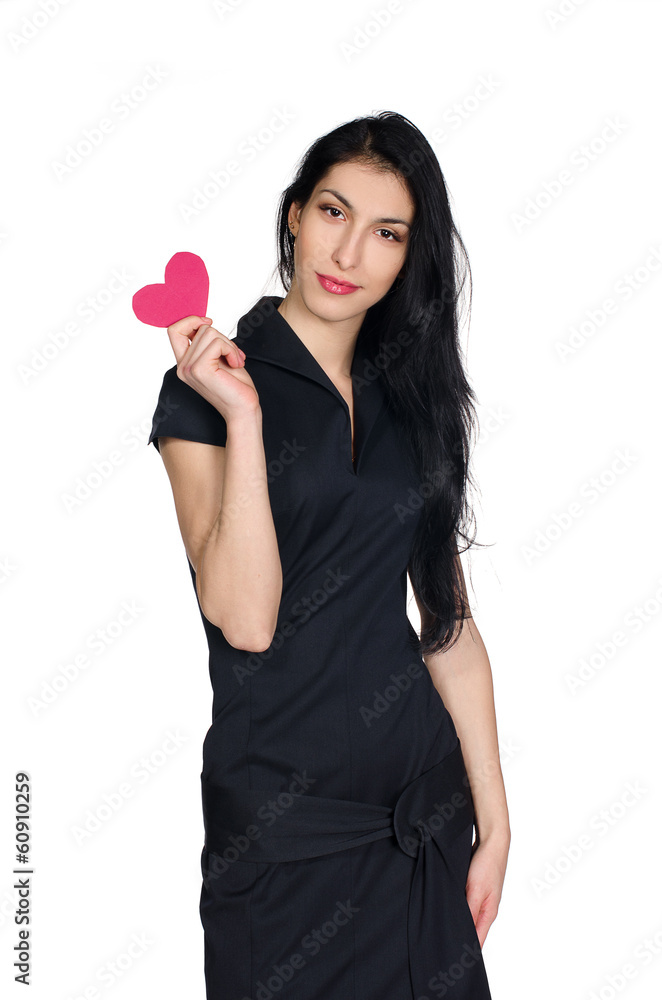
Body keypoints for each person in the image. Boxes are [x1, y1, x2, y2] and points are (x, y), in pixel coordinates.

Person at [147, 110, 509, 1000]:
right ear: (295, 217)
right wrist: (243, 416)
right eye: (334, 212)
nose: (348, 254)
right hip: (282, 835)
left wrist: (495, 820)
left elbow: (449, 628)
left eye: (386, 232)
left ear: (408, 257)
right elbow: (246, 617)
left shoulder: (414, 399)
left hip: (421, 818)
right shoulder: (204, 392)